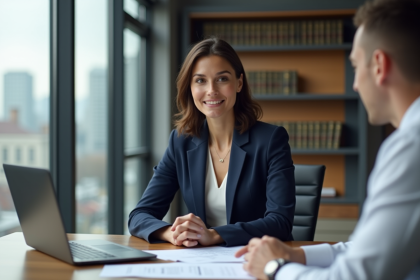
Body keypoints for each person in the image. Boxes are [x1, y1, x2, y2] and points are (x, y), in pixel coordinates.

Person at [235, 0, 420, 279]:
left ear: (379, 66)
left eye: (356, 66)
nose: (355, 84)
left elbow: (354, 276)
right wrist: (297, 255)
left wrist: (274, 268)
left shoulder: (410, 147)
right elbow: (368, 249)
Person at [128, 37, 296, 247]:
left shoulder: (271, 140)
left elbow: (280, 222)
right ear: (189, 87)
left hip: (258, 257)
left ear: (239, 83)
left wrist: (214, 235)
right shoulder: (181, 142)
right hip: (204, 261)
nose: (211, 90)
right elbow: (139, 215)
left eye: (222, 79)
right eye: (200, 80)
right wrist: (172, 234)